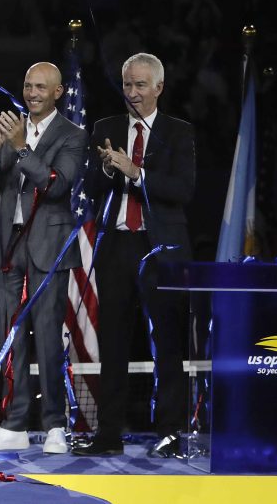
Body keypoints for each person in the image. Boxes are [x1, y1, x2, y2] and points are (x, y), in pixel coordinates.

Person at [73, 52, 195, 458]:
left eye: (141, 85)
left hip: (160, 250)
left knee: (167, 342)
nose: (132, 92)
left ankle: (171, 433)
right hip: (118, 247)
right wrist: (108, 169)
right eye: (127, 84)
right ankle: (108, 434)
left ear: (159, 88)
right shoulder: (105, 128)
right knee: (114, 341)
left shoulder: (178, 132)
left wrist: (136, 173)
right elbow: (88, 186)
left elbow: (182, 191)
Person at [0, 62, 88, 455]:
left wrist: (21, 147)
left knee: (49, 339)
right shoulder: (9, 129)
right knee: (12, 338)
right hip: (8, 246)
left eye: (40, 87)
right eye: (27, 86)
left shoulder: (72, 135)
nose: (32, 93)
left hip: (48, 249)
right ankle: (15, 423)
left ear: (57, 93)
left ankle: (55, 424)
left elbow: (56, 187)